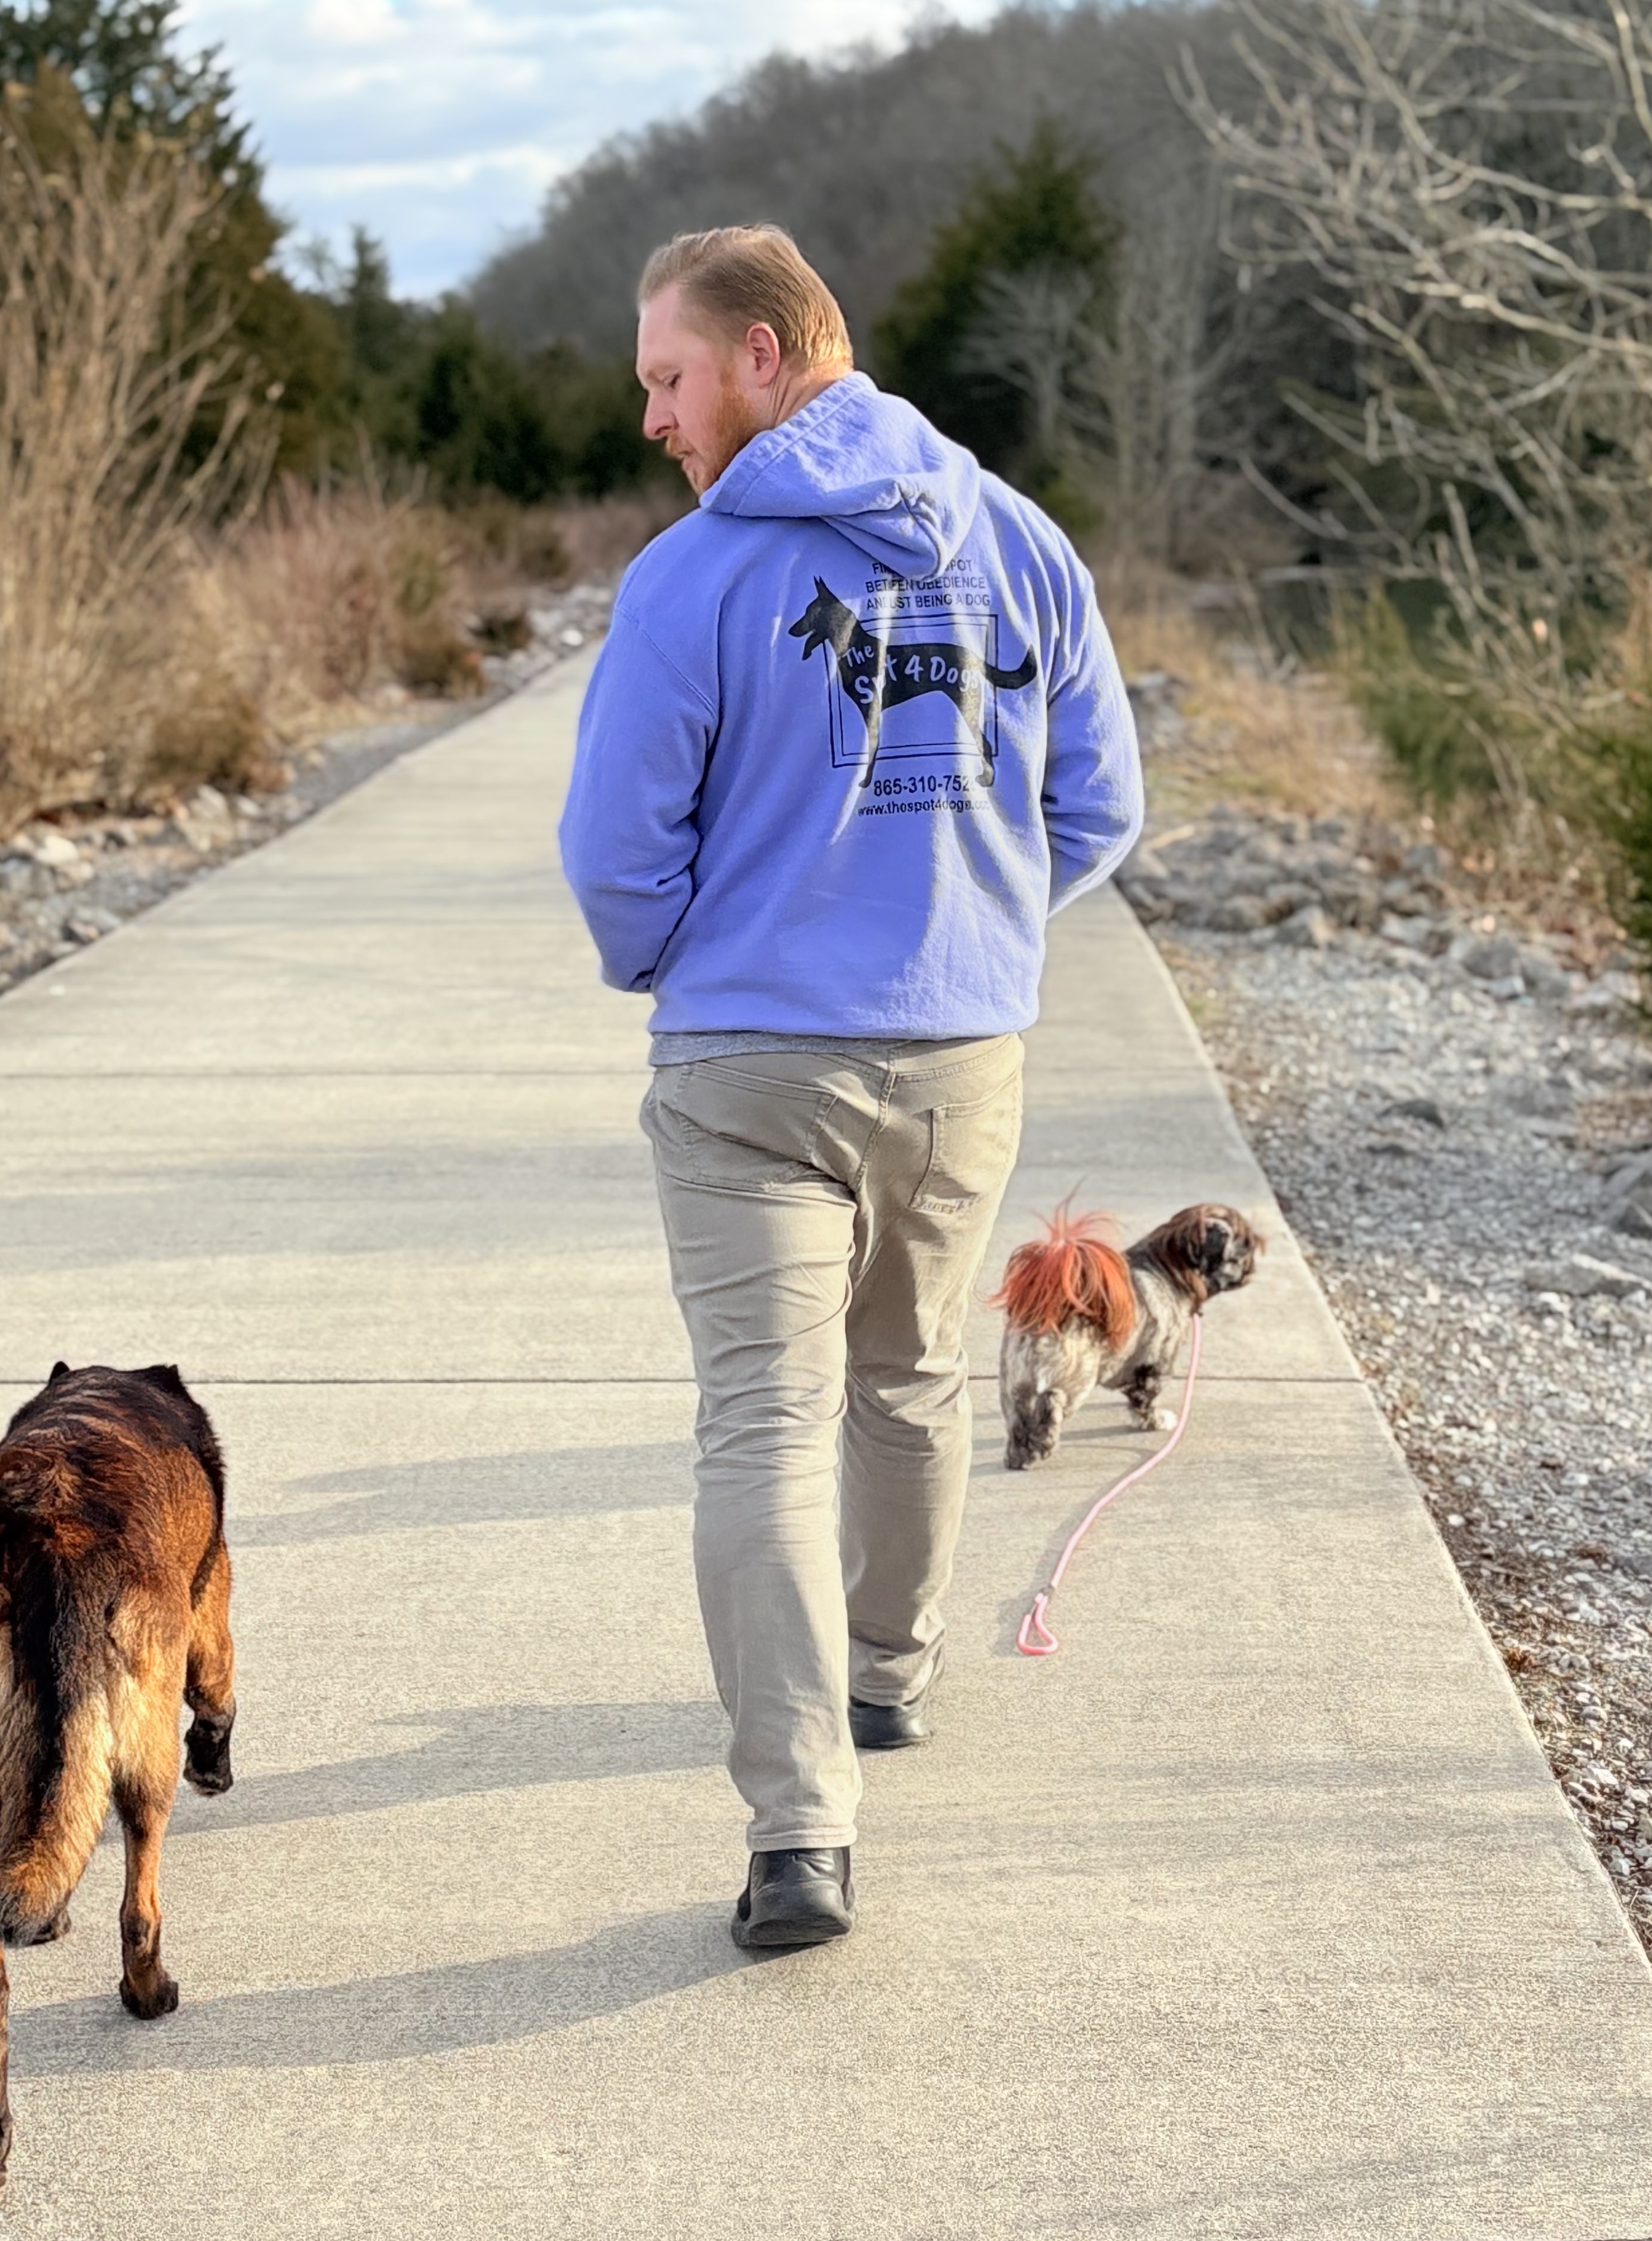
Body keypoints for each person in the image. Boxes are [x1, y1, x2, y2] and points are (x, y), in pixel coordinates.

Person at [559, 226, 1142, 1949]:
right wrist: (966, 924)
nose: (654, 417)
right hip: (961, 1055)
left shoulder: (687, 580)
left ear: (758, 355)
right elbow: (1098, 807)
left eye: (667, 377)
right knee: (907, 1383)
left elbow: (612, 857)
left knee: (762, 1418)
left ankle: (802, 1826)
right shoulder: (1020, 541)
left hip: (746, 1060)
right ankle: (887, 1676)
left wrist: (686, 950)